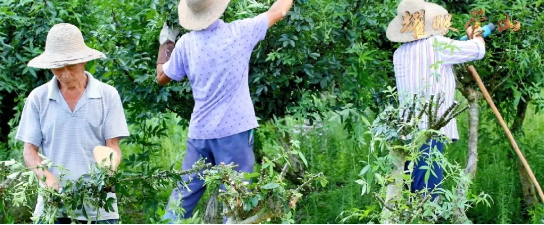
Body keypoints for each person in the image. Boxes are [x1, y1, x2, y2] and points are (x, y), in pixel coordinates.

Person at [155, 0, 294, 221]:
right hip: (235, 133)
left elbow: (161, 77)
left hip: (200, 134)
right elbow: (278, 11)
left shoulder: (185, 44)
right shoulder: (239, 32)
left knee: (182, 197)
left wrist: (167, 43)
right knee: (236, 201)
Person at [16, 23, 129, 223]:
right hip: (53, 206)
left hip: (99, 207)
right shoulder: (38, 98)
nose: (65, 74)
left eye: (71, 67)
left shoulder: (107, 96)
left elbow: (113, 147)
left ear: (84, 62)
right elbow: (29, 151)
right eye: (58, 67)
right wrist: (48, 179)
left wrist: (107, 173)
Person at [385, 0, 486, 198]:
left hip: (406, 130)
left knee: (411, 190)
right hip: (431, 129)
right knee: (428, 193)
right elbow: (478, 50)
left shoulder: (399, 53)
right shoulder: (437, 45)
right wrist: (475, 35)